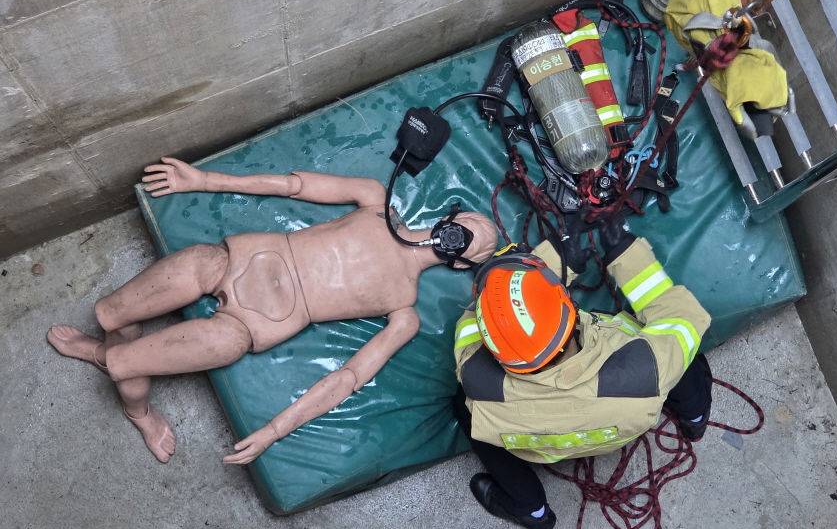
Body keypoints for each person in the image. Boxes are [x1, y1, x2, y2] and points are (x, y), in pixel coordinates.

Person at [47, 157, 498, 465]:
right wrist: (202, 180)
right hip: (235, 259)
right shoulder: (375, 199)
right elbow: (291, 186)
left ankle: (137, 411)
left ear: (462, 264)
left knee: (123, 364)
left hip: (250, 326)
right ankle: (105, 346)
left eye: (470, 244)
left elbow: (347, 378)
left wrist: (274, 431)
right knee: (110, 313)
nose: (460, 236)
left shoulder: (405, 310)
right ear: (450, 217)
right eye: (467, 225)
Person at [451, 218, 712, 529]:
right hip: (619, 428)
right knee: (678, 354)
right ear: (571, 309)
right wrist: (626, 254)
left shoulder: (477, 377)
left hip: (539, 448)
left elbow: (478, 319)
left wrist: (556, 260)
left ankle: (532, 510)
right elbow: (681, 317)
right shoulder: (643, 369)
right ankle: (695, 419)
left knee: (464, 407)